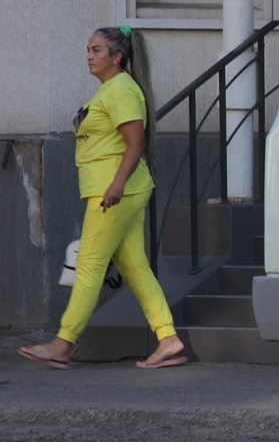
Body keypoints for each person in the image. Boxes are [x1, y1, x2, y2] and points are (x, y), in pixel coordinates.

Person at [19, 26, 187, 370]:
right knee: (135, 267)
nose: (89, 57)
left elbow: (135, 143)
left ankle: (62, 343)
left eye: (97, 50)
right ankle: (168, 338)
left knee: (90, 265)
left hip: (115, 191)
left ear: (117, 57)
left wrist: (116, 185)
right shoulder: (110, 90)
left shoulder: (121, 90)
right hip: (116, 188)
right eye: (88, 50)